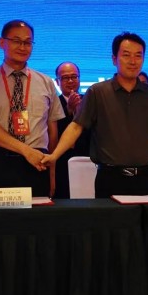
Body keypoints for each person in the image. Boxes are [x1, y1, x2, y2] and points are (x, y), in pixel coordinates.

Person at [42, 32, 148, 198]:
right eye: (126, 55)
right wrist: (54, 156)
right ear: (114, 59)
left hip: (146, 178)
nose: (133, 61)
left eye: (138, 55)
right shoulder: (97, 92)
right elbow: (76, 127)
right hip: (110, 179)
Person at [0, 20, 65, 197]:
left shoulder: (46, 82)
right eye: (16, 41)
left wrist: (52, 173)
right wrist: (26, 151)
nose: (22, 47)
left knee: (35, 215)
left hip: (36, 166)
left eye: (27, 42)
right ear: (2, 43)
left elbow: (52, 132)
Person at [53, 61, 90, 198]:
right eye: (65, 78)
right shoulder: (53, 103)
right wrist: (68, 111)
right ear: (57, 81)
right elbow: (52, 135)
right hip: (62, 163)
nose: (70, 81)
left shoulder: (90, 101)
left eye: (74, 77)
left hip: (89, 161)